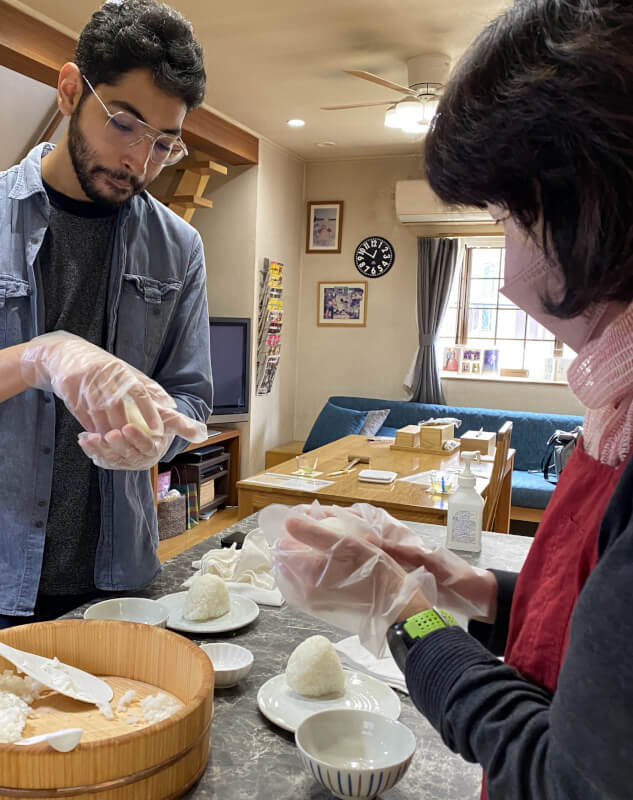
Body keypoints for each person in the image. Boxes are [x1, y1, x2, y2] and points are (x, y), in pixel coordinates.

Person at [266, 1, 633, 798]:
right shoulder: (615, 408)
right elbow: (582, 642)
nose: (501, 266)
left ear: (589, 207)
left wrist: (406, 615)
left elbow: (563, 777)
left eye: (503, 217)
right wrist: (452, 580)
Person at [0, 0, 212, 662]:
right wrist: (37, 358)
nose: (141, 160)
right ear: (70, 89)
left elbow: (190, 398)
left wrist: (157, 437)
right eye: (125, 124)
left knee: (117, 759)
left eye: (164, 142)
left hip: (118, 578)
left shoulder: (179, 248)